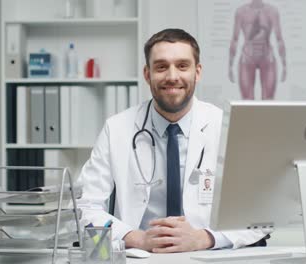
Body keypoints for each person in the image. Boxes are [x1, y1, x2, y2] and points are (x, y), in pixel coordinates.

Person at [76, 28, 268, 253]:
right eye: (161, 66)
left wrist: (205, 238)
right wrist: (136, 238)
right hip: (142, 256)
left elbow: (261, 214)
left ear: (197, 72)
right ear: (147, 74)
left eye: (182, 65)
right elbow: (82, 208)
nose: (172, 76)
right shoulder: (117, 129)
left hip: (208, 256)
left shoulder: (227, 126)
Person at [228, 0, 286, 100]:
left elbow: (279, 39)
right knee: (247, 100)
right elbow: (235, 39)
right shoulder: (241, 12)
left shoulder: (272, 11)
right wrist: (230, 65)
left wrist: (284, 65)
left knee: (268, 100)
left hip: (267, 56)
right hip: (248, 56)